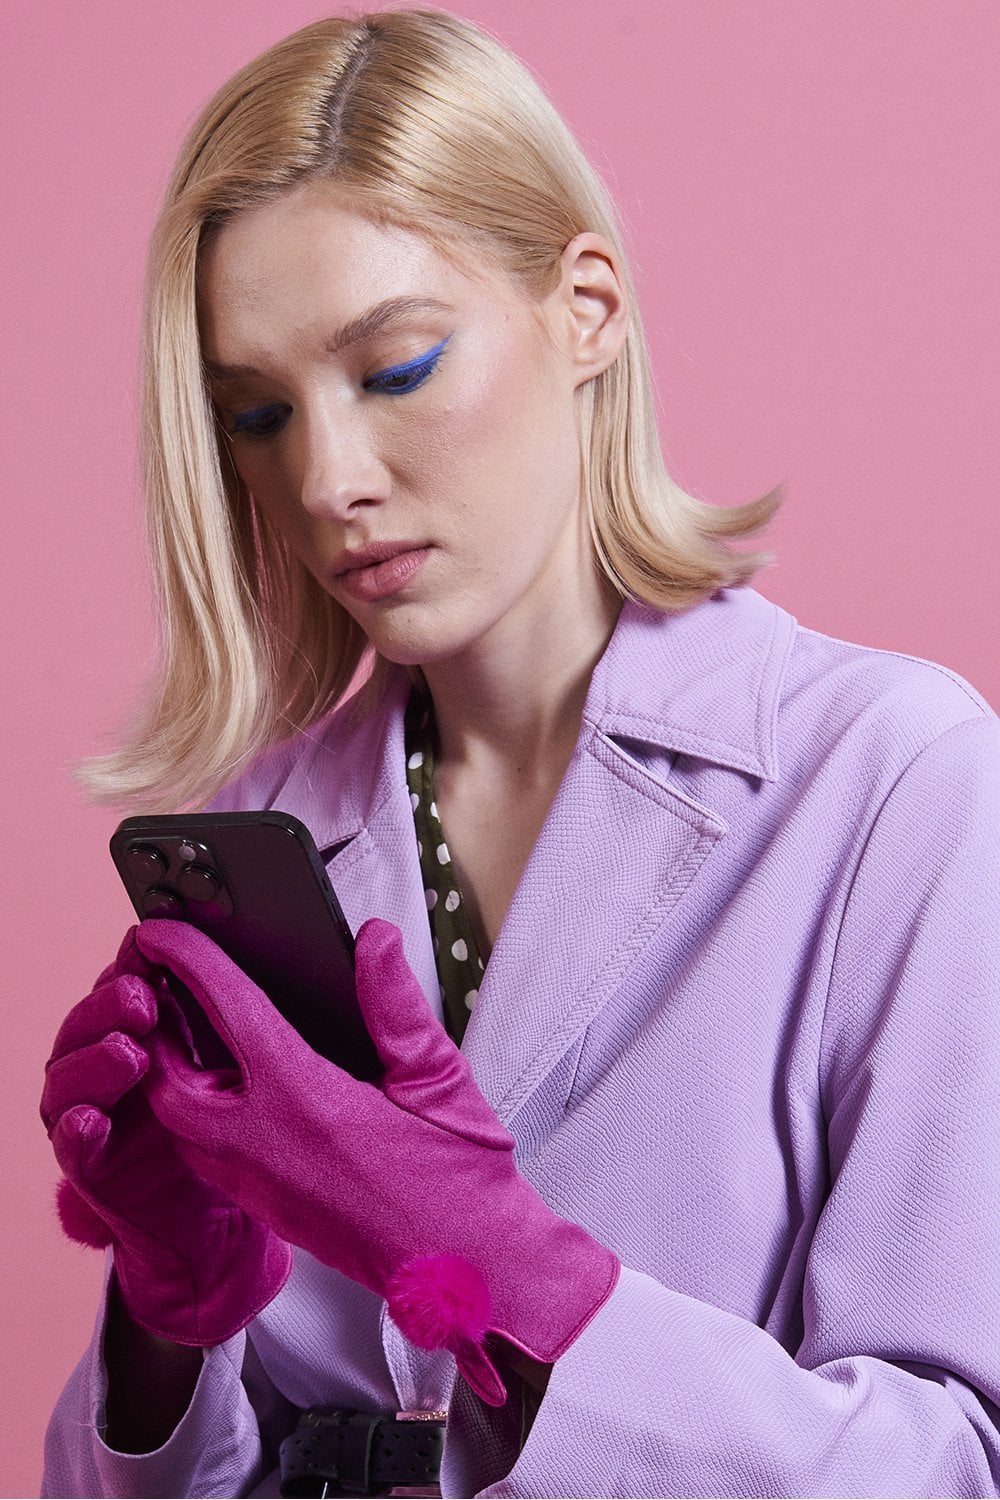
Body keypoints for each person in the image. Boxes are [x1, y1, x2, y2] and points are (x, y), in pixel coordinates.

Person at [39, 10, 1000, 1498]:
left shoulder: (892, 782)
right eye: (260, 414)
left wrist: (494, 1262)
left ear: (586, 309)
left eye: (398, 367)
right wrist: (172, 1323)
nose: (328, 479)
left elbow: (949, 1470)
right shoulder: (261, 826)